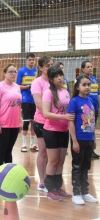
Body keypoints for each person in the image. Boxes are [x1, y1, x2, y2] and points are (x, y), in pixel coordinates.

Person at [42, 66, 73, 201]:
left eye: (61, 75)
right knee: (53, 160)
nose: (60, 78)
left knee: (61, 160)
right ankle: (50, 189)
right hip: (51, 130)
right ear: (51, 79)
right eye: (56, 76)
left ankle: (58, 187)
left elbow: (69, 110)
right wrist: (64, 117)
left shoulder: (65, 91)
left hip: (64, 130)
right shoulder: (48, 93)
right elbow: (46, 113)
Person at [68, 74, 99, 205]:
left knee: (86, 167)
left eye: (88, 85)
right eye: (84, 85)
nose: (87, 87)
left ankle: (85, 192)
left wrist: (94, 139)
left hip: (89, 139)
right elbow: (70, 122)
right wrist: (74, 140)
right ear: (77, 87)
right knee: (77, 166)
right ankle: (76, 193)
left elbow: (91, 121)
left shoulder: (90, 101)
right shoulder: (74, 101)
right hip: (79, 139)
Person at [0, 64, 22, 168]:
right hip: (4, 123)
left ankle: (8, 173)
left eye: (15, 71)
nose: (13, 74)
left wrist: (20, 121)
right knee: (1, 149)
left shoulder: (17, 86)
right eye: (11, 72)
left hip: (15, 124)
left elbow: (19, 105)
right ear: (4, 73)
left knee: (9, 150)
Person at [31, 56, 53, 193]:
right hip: (41, 121)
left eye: (51, 64)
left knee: (54, 154)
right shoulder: (37, 83)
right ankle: (43, 182)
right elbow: (39, 103)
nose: (50, 67)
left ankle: (52, 180)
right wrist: (51, 113)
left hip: (55, 121)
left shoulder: (55, 81)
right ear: (40, 67)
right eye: (47, 65)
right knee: (43, 152)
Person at [16, 53, 38, 153]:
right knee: (26, 121)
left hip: (35, 99)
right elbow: (17, 86)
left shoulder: (37, 71)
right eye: (30, 60)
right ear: (26, 60)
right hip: (25, 99)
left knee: (34, 122)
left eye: (33, 60)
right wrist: (29, 86)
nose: (31, 61)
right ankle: (24, 144)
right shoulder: (21, 71)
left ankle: (32, 144)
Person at [81, 60, 100, 159]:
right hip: (87, 109)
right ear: (83, 69)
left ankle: (91, 150)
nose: (90, 68)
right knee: (87, 128)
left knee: (92, 128)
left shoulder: (94, 79)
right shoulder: (80, 80)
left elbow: (98, 93)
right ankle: (86, 150)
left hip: (95, 108)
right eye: (88, 67)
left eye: (91, 66)